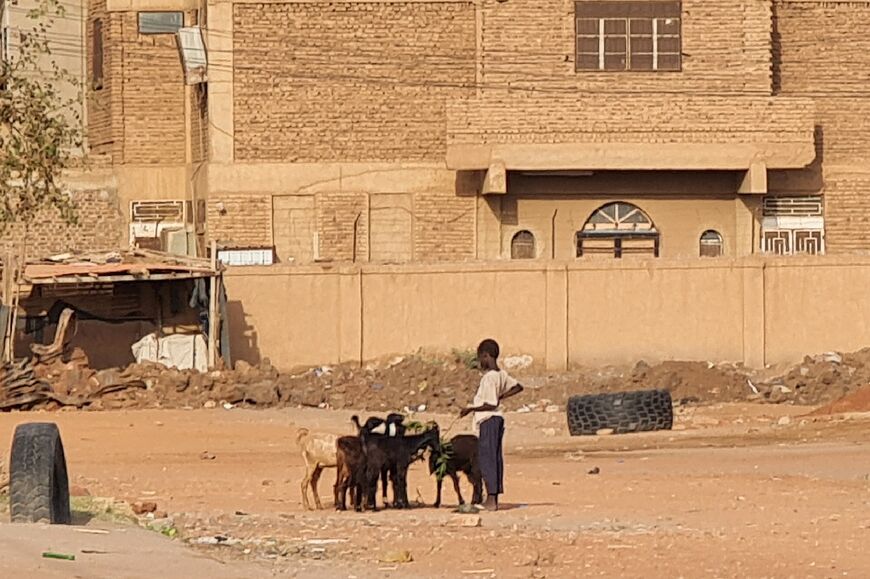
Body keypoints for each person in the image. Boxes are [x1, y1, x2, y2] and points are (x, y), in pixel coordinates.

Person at [459, 338, 524, 511]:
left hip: (488, 419)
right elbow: (518, 387)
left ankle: (491, 500)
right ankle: (493, 497)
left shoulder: (489, 378)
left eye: (480, 358)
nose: (480, 362)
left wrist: (470, 409)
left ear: (486, 356)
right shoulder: (502, 375)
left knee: (487, 459)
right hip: (497, 420)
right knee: (495, 458)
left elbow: (491, 404)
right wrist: (502, 396)